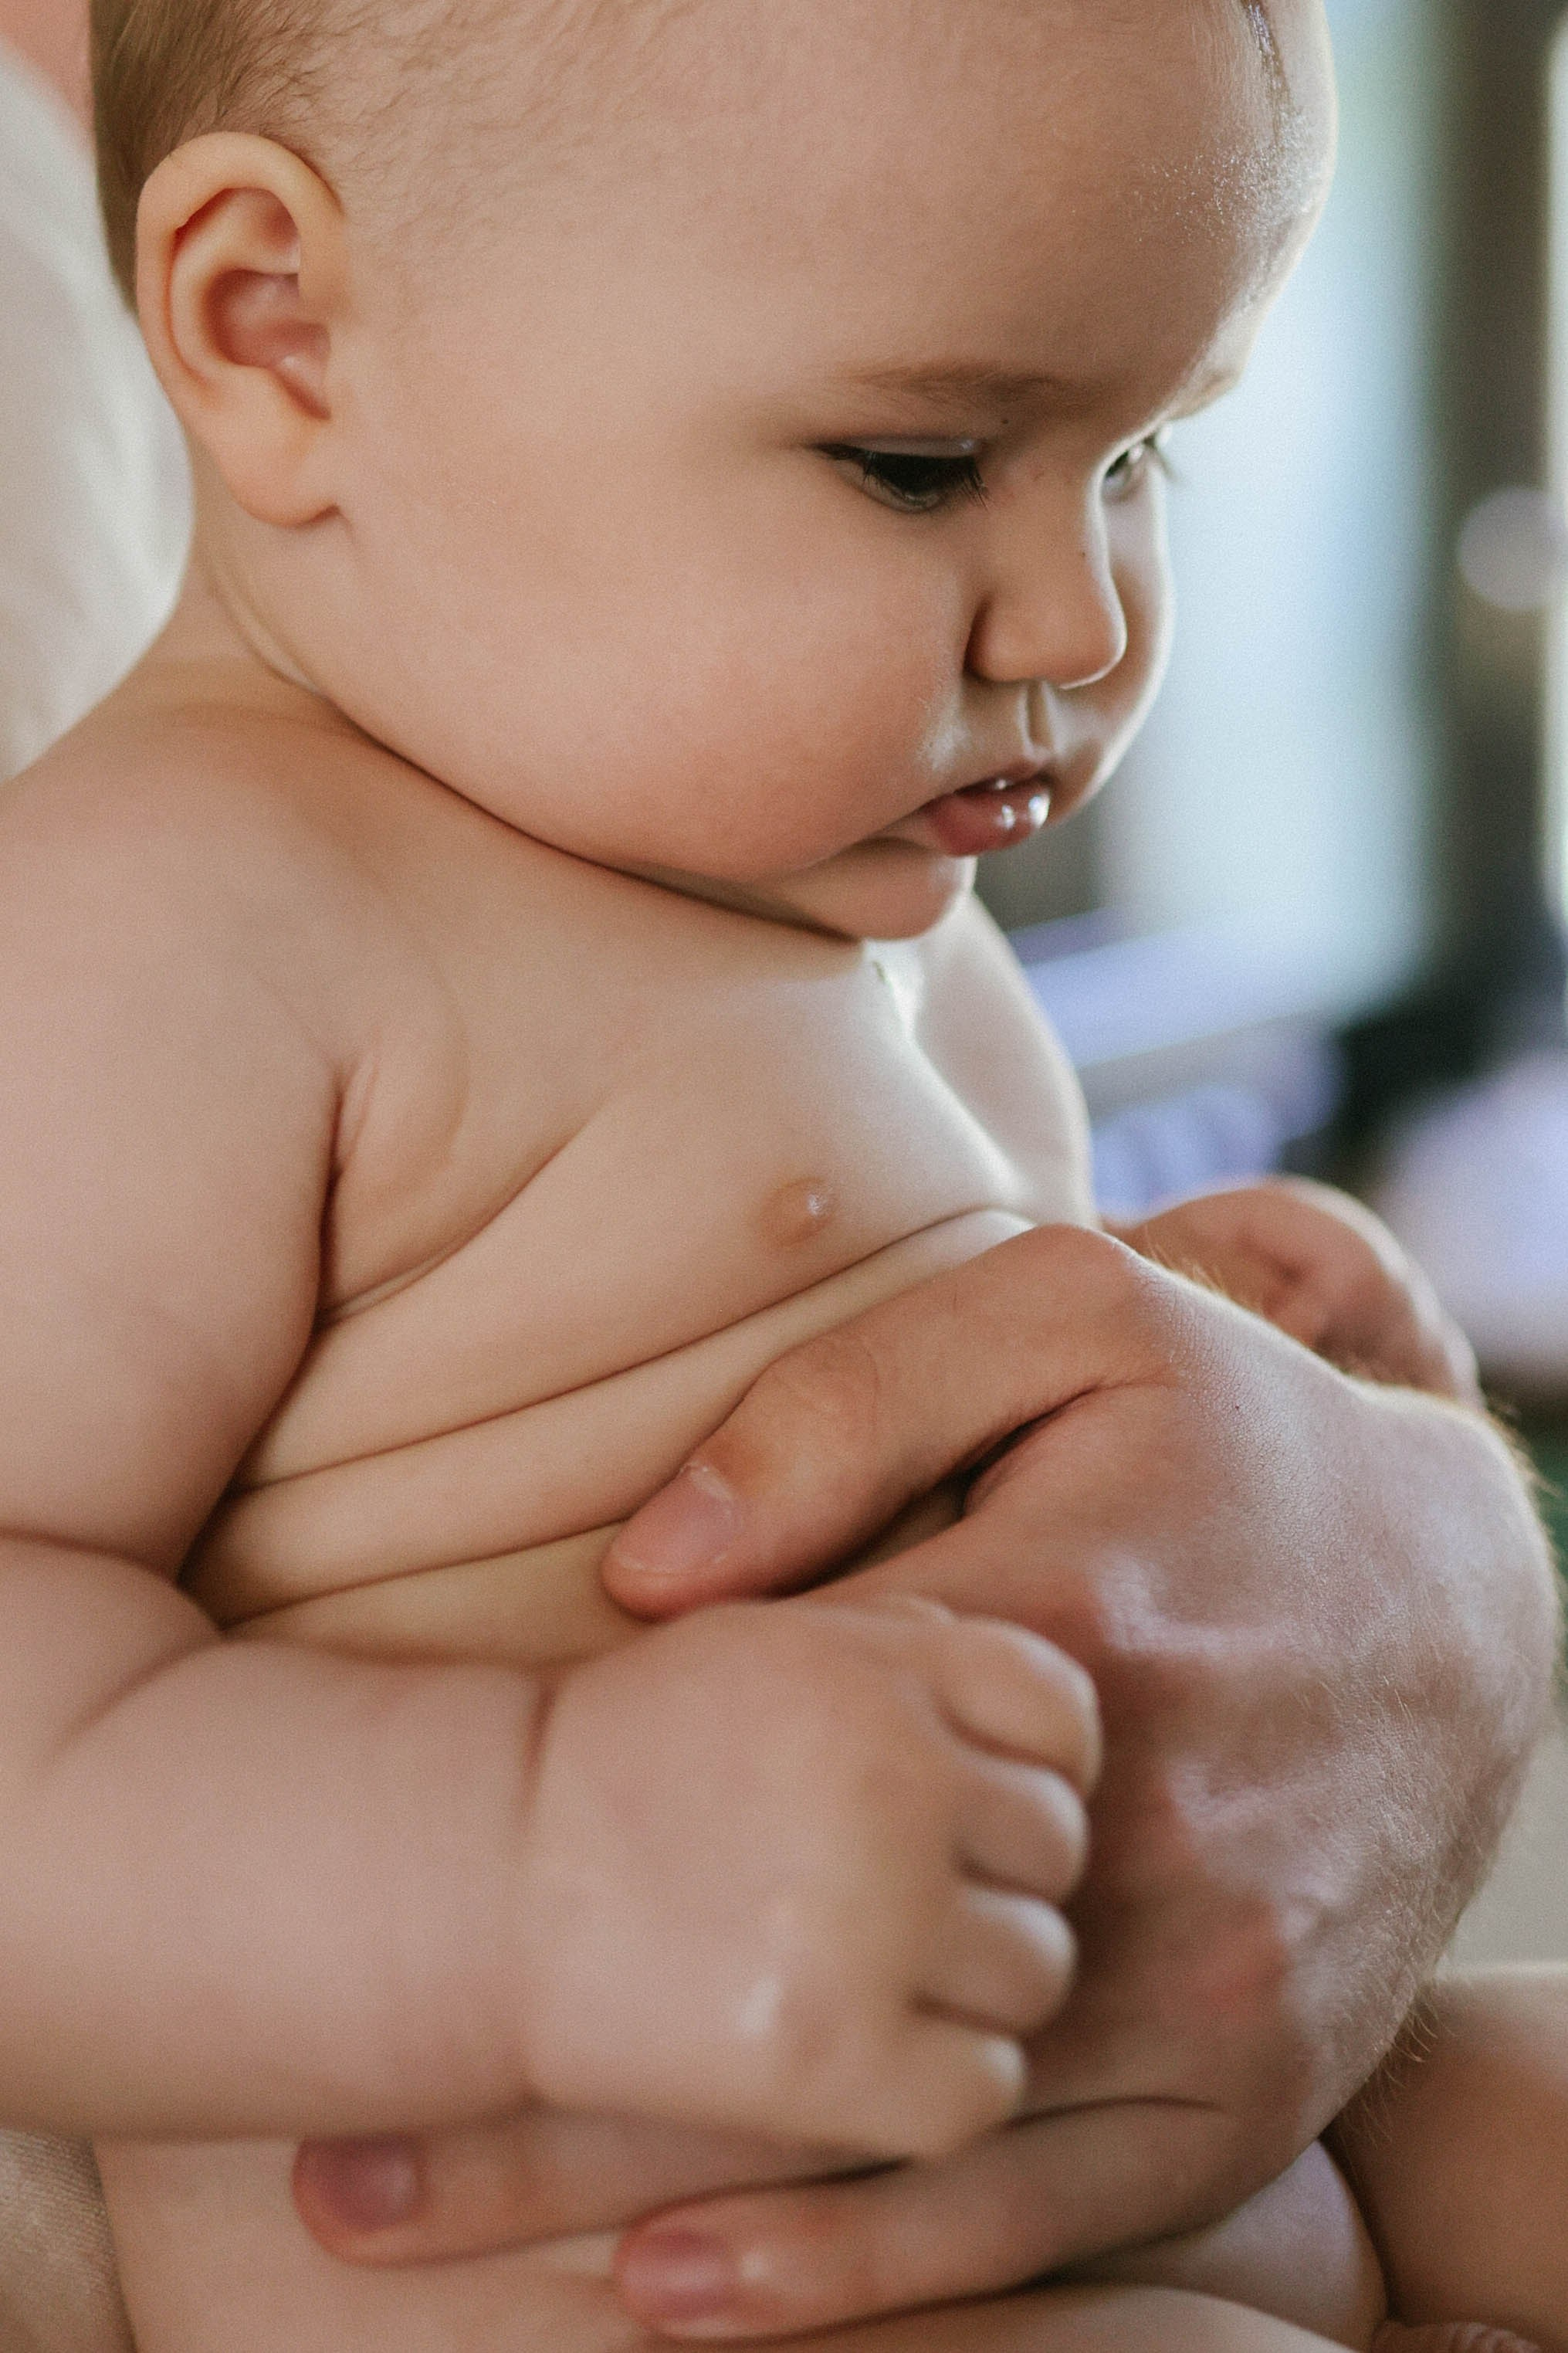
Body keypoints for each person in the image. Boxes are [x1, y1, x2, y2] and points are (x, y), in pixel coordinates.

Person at [0, 1, 1560, 2351]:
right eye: (926, 463)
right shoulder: (167, 926)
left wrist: (1216, 1332)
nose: (1085, 620)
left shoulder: (818, 880)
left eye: (1143, 455)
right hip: (684, 2275)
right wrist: (535, 1862)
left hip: (1159, 2099)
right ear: (280, 334)